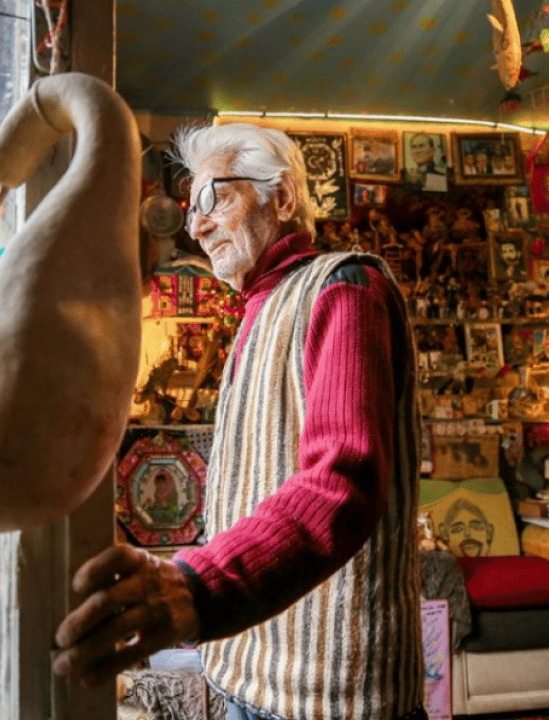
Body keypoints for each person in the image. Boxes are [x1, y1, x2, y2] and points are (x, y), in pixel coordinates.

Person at [52, 122, 427, 720]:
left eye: (212, 198)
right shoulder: (261, 307)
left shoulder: (345, 288)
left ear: (280, 197)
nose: (196, 226)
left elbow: (342, 482)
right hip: (245, 678)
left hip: (329, 696)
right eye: (187, 206)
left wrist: (197, 586)